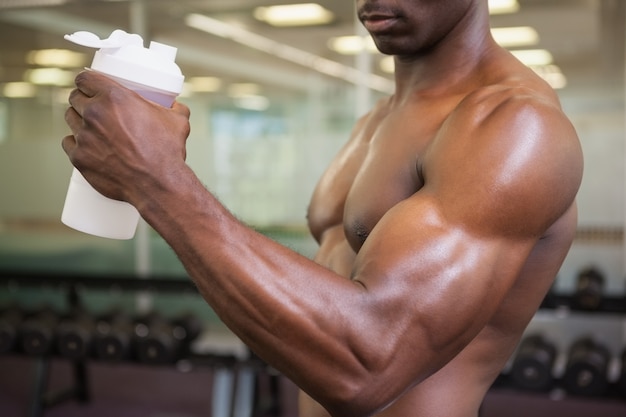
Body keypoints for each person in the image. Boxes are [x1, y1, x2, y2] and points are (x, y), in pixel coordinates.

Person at [62, 0, 583, 416]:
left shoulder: (515, 126)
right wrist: (146, 169)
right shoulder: (375, 121)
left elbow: (369, 367)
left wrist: (159, 183)